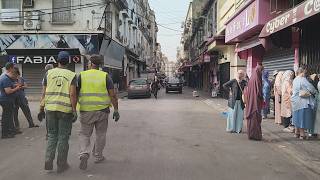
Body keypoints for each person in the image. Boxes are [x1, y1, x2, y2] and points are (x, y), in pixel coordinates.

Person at [77, 55, 120, 170]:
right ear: (100, 64)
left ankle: (84, 153)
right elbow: (113, 95)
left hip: (86, 111)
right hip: (102, 111)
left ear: (90, 63)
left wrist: (73, 109)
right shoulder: (105, 76)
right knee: (100, 134)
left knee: (85, 134)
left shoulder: (81, 75)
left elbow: (74, 93)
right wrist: (116, 110)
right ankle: (98, 156)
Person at [40, 51, 77, 173]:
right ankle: (61, 164)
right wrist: (74, 110)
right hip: (65, 110)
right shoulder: (72, 75)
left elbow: (43, 93)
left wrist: (41, 108)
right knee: (63, 137)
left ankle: (48, 160)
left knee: (52, 136)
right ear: (68, 61)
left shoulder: (48, 73)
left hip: (50, 109)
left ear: (57, 61)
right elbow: (72, 94)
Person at [291, 66, 317, 140]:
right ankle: (302, 135)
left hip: (295, 101)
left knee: (296, 117)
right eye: (304, 72)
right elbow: (311, 88)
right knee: (302, 118)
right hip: (303, 102)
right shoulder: (303, 79)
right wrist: (315, 92)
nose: (305, 74)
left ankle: (297, 133)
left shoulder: (295, 79)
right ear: (302, 72)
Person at [0, 62, 22, 139]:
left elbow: (9, 86)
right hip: (6, 100)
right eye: (13, 68)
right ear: (10, 69)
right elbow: (8, 91)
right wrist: (16, 88)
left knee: (8, 117)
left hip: (7, 100)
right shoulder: (5, 78)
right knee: (6, 117)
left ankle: (9, 132)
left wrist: (14, 85)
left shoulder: (6, 78)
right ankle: (5, 134)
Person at [12, 67, 38, 132]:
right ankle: (17, 127)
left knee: (27, 111)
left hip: (22, 98)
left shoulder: (21, 78)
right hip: (14, 98)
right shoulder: (11, 79)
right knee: (15, 113)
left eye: (15, 72)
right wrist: (17, 86)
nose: (14, 73)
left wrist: (20, 86)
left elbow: (26, 86)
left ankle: (31, 124)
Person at [243, 63, 264, 141]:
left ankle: (251, 134)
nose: (262, 72)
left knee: (252, 119)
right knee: (255, 119)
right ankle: (255, 135)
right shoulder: (257, 79)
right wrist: (262, 97)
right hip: (255, 102)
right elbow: (258, 91)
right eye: (261, 71)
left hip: (251, 102)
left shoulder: (253, 77)